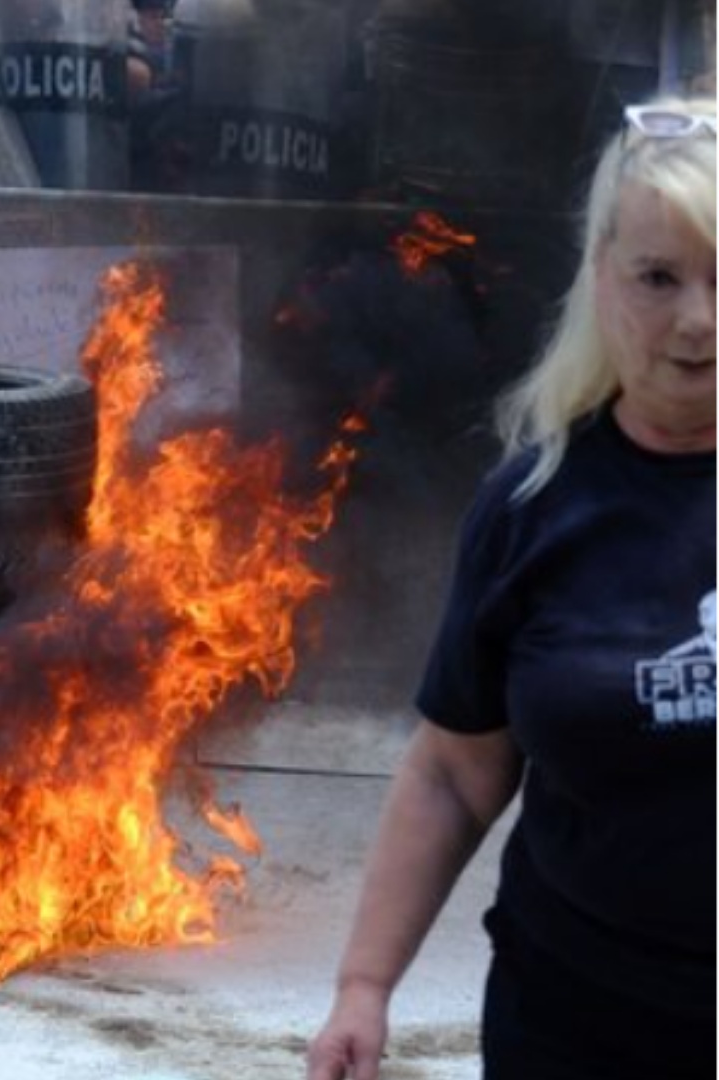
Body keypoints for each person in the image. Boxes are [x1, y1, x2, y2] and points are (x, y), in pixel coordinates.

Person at [306, 94, 715, 1080]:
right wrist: (364, 987)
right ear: (602, 282)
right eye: (658, 277)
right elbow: (455, 771)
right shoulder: (533, 503)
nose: (699, 320)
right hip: (575, 1016)